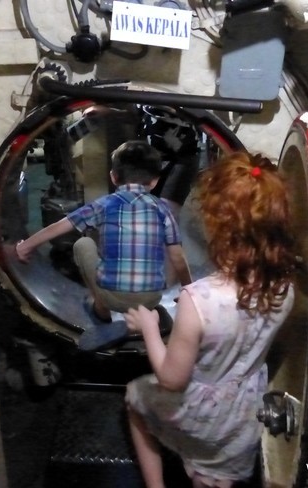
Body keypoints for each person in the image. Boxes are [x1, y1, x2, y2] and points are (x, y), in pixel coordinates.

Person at [124, 151, 298, 488]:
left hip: (200, 413)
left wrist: (148, 328)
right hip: (244, 412)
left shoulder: (198, 300)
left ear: (218, 226)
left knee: (135, 396)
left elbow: (172, 379)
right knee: (214, 478)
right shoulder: (285, 287)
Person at [15, 140, 192, 323]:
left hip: (112, 298)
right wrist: (189, 291)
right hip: (152, 299)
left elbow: (61, 226)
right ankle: (145, 311)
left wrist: (25, 246)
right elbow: (177, 258)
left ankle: (101, 309)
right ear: (155, 181)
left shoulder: (105, 204)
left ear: (113, 177)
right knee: (164, 248)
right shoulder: (163, 209)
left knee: (83, 243)